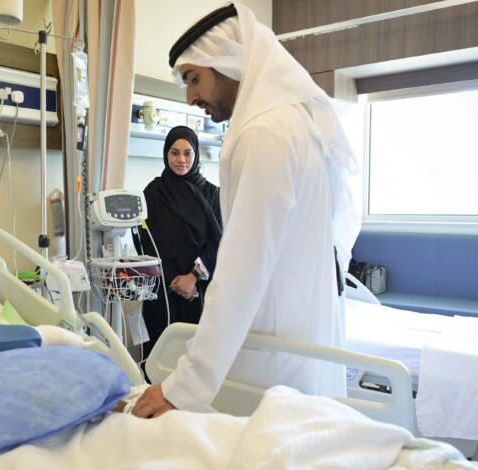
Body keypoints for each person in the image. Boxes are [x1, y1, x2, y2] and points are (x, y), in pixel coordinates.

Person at [133, 3, 361, 418]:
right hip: (302, 335)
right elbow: (340, 225)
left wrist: (184, 385)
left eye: (194, 78)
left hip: (271, 353)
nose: (190, 96)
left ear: (228, 61)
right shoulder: (297, 122)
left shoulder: (264, 134)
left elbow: (241, 268)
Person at [134, 125, 222, 365]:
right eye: (174, 152)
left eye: (187, 153)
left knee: (196, 358)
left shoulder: (213, 195)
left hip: (199, 291)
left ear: (195, 155)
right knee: (158, 357)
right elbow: (146, 243)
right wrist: (175, 280)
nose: (181, 159)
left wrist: (193, 277)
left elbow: (219, 241)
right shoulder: (152, 193)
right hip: (162, 289)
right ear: (165, 154)